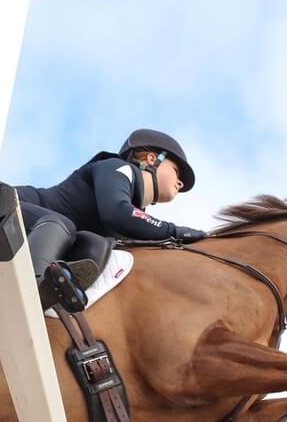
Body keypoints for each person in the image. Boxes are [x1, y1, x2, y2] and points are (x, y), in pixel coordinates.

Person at [13, 129, 209, 312]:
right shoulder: (118, 167)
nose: (180, 183)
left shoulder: (134, 216)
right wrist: (174, 231)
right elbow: (118, 213)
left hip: (27, 232)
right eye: (176, 170)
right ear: (152, 159)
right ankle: (35, 288)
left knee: (97, 246)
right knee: (63, 225)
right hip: (6, 208)